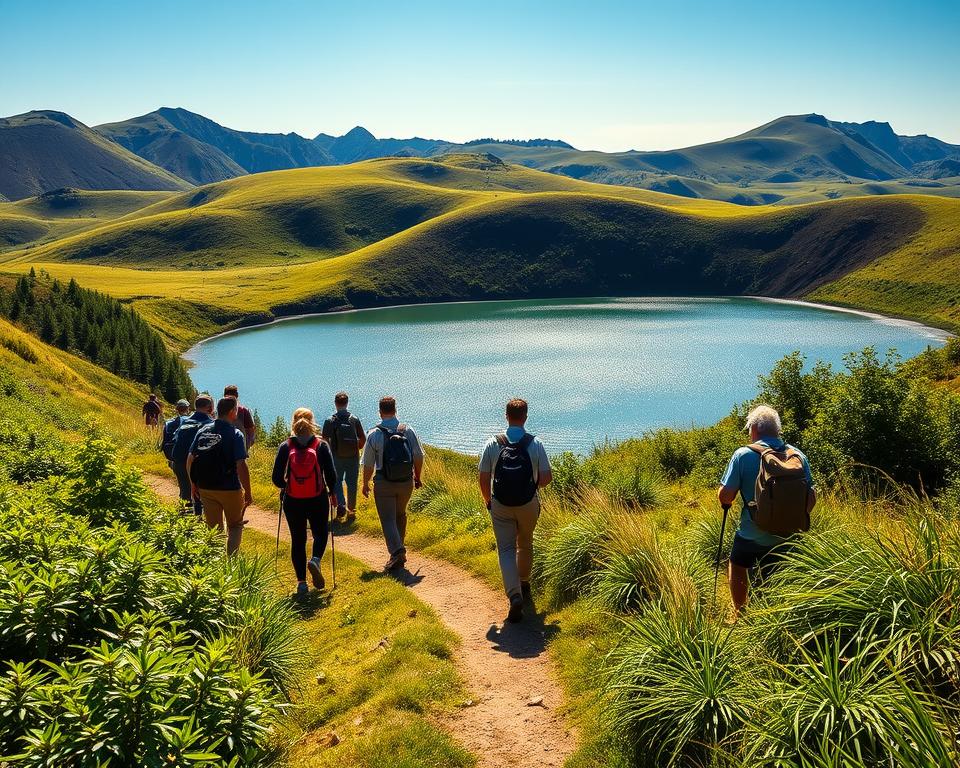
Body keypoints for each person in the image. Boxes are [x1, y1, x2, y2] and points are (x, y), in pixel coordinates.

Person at [718, 404, 816, 617]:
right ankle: (781, 612)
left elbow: (726, 496)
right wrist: (793, 520)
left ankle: (740, 612)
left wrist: (724, 498)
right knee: (781, 571)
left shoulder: (742, 455)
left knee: (738, 563)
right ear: (777, 430)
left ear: (753, 429)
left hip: (752, 534)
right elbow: (812, 496)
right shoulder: (797, 455)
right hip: (790, 534)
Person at [478, 398, 553, 623]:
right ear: (526, 417)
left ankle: (514, 596)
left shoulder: (493, 443)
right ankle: (525, 582)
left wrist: (488, 500)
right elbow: (547, 478)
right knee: (526, 542)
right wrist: (531, 484)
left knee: (506, 549)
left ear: (506, 416)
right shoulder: (535, 443)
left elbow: (482, 478)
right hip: (528, 503)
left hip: (500, 503)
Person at [272, 408, 338, 597]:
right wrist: (332, 493)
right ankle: (316, 559)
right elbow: (331, 475)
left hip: (293, 500)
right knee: (321, 532)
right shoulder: (321, 445)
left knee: (298, 539)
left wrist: (288, 485)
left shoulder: (286, 446)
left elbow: (276, 478)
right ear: (312, 422)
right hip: (317, 498)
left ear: (293, 422)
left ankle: (301, 583)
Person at [361, 396, 425, 571]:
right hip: (406, 482)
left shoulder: (374, 434)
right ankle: (398, 551)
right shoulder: (408, 430)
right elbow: (419, 456)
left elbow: (367, 464)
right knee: (400, 515)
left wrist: (365, 483)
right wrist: (417, 476)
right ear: (395, 410)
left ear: (380, 412)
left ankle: (397, 552)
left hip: (384, 482)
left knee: (387, 518)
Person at [186, 396, 253, 555]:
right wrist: (248, 492)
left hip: (206, 487)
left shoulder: (203, 431)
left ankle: (215, 563)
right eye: (236, 409)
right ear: (231, 412)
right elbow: (241, 465)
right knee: (235, 525)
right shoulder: (235, 434)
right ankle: (231, 563)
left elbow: (190, 459)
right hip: (229, 488)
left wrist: (193, 483)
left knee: (214, 529)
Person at [322, 391, 365, 523]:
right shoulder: (354, 419)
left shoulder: (330, 420)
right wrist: (356, 448)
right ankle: (351, 511)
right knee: (352, 483)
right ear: (347, 403)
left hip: (336, 456)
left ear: (335, 404)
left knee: (337, 481)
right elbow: (363, 438)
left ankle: (341, 504)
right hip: (352, 456)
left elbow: (324, 440)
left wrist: (329, 452)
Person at [170, 394, 215, 516]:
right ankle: (199, 521)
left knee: (185, 492)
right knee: (199, 495)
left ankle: (184, 520)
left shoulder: (185, 422)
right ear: (210, 408)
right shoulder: (210, 424)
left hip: (178, 462)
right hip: (197, 464)